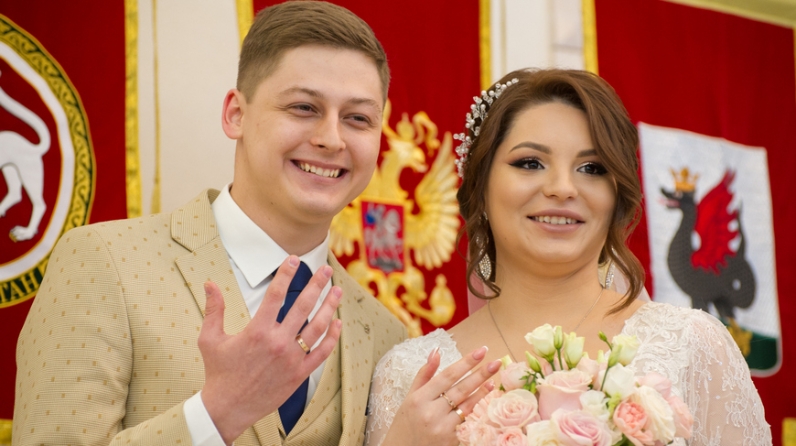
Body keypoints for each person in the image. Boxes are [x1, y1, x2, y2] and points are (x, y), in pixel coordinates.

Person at [11, 2, 483, 445]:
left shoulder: (382, 332)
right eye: (304, 108)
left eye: (358, 118)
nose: (331, 138)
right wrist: (216, 413)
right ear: (235, 114)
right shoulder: (102, 262)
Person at [364, 68, 771, 446]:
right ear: (480, 188)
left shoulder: (692, 346)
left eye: (592, 168)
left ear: (616, 198)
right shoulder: (411, 374)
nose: (563, 188)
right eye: (530, 163)